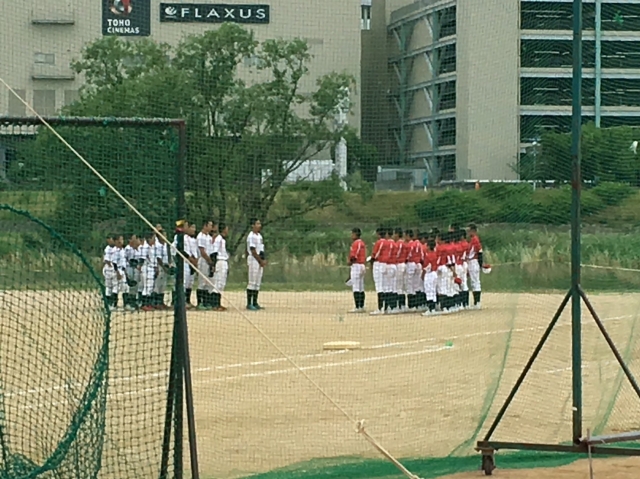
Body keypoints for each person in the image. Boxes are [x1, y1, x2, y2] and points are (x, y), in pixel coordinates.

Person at [246, 218, 266, 311]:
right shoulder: (251, 236)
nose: (259, 225)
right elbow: (253, 250)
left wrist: (263, 259)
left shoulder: (259, 236)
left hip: (259, 260)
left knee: (258, 282)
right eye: (257, 224)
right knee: (252, 281)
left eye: (259, 223)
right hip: (253, 259)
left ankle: (255, 302)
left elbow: (261, 249)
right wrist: (260, 260)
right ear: (252, 225)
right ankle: (249, 303)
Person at [370, 227, 390, 315]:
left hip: (379, 264)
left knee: (379, 286)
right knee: (385, 286)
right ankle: (385, 308)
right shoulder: (388, 242)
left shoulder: (379, 242)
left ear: (378, 234)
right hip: (386, 264)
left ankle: (380, 308)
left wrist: (371, 261)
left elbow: (375, 254)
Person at [196, 220, 215, 310]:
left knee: (208, 282)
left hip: (209, 260)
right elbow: (202, 251)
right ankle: (200, 302)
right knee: (202, 282)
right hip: (203, 260)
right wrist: (209, 260)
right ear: (205, 225)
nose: (211, 227)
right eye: (210, 225)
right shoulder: (200, 236)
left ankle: (206, 301)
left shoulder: (209, 237)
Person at [211, 223, 229, 312]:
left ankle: (218, 303)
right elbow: (214, 252)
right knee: (218, 283)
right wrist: (213, 265)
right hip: (220, 261)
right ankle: (215, 304)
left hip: (224, 261)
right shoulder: (219, 239)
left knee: (221, 283)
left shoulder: (223, 239)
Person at [347, 227, 366, 313]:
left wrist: (350, 261)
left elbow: (354, 255)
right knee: (361, 286)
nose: (351, 235)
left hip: (357, 265)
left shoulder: (357, 243)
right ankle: (361, 306)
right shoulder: (362, 243)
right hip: (361, 265)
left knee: (356, 287)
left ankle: (358, 306)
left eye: (352, 233)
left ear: (355, 234)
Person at [140, 231, 157, 312]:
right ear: (149, 239)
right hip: (147, 268)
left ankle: (148, 304)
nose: (154, 240)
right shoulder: (145, 247)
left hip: (152, 268)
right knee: (147, 287)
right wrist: (140, 267)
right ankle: (144, 304)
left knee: (150, 287)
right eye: (153, 238)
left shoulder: (152, 247)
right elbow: (142, 258)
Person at [467, 223, 483, 309]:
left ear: (473, 231)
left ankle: (477, 302)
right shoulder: (472, 239)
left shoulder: (475, 240)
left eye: (469, 230)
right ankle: (476, 302)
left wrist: (480, 264)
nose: (468, 232)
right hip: (471, 262)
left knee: (475, 282)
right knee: (474, 282)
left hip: (473, 261)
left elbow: (479, 251)